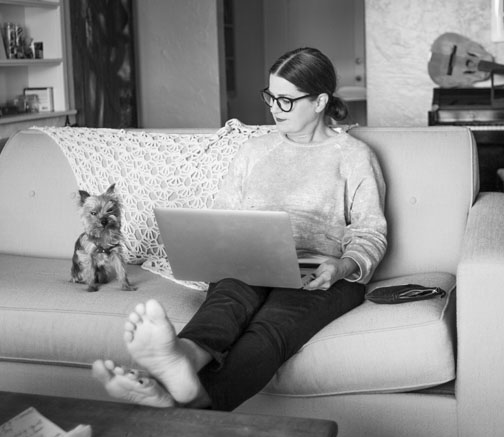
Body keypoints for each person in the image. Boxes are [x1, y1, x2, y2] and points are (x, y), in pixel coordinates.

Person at [91, 47, 387, 410]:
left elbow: (371, 231)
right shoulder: (253, 151)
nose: (274, 107)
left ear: (320, 101)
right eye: (270, 96)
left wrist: (344, 265)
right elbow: (224, 217)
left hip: (324, 273)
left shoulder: (354, 155)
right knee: (227, 302)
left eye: (286, 99)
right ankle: (183, 356)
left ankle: (189, 398)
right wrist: (217, 247)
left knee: (271, 327)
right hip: (251, 261)